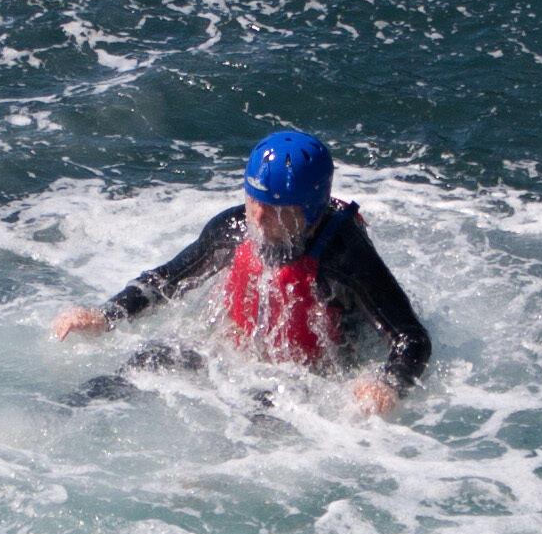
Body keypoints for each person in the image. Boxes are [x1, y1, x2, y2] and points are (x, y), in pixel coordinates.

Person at [52, 131, 430, 416]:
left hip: (308, 372)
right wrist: (105, 314)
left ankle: (211, 485)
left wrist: (387, 383)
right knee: (147, 360)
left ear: (312, 213)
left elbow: (410, 337)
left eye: (277, 211)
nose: (259, 219)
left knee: (262, 412)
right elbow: (165, 280)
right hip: (233, 350)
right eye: (254, 201)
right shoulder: (232, 230)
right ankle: (62, 414)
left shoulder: (344, 255)